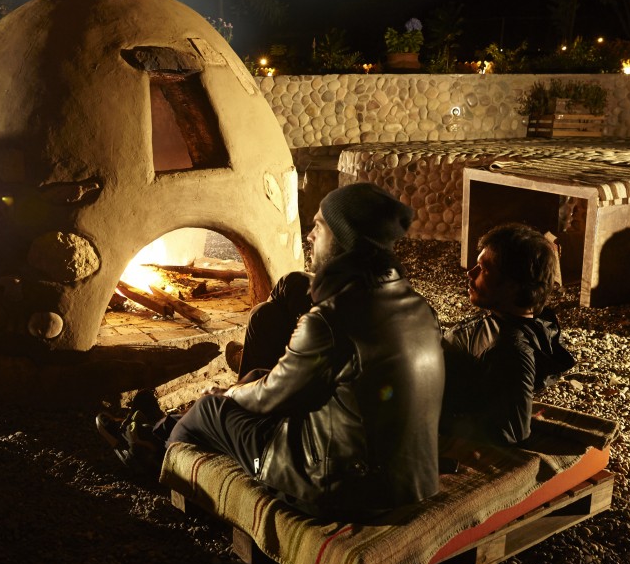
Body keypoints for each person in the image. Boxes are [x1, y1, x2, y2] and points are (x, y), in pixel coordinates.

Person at [105, 183, 446, 521]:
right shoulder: (417, 307)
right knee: (250, 381)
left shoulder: (332, 320)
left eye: (319, 227)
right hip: (406, 483)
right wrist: (249, 385)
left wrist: (228, 392)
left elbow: (270, 399)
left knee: (210, 408)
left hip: (340, 489)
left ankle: (152, 459)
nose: (310, 236)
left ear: (344, 240)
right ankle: (158, 430)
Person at [441, 223, 576, 445]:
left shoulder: (510, 350)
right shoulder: (518, 320)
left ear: (514, 286)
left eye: (484, 269)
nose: (470, 273)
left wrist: (434, 421)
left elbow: (511, 431)